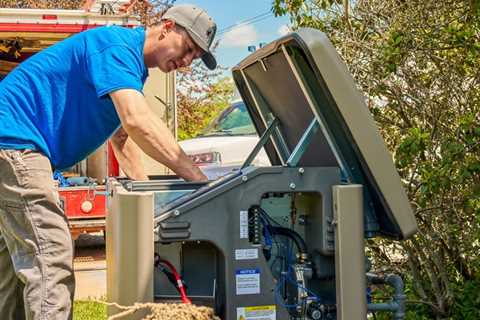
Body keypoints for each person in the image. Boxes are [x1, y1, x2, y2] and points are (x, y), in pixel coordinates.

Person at [0, 4, 215, 319]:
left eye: (194, 57)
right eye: (188, 48)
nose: (186, 61)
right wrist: (199, 181)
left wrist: (148, 200)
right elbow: (137, 121)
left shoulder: (129, 69)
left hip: (11, 144)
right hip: (14, 144)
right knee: (51, 254)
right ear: (167, 26)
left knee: (12, 264)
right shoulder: (116, 47)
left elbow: (121, 138)